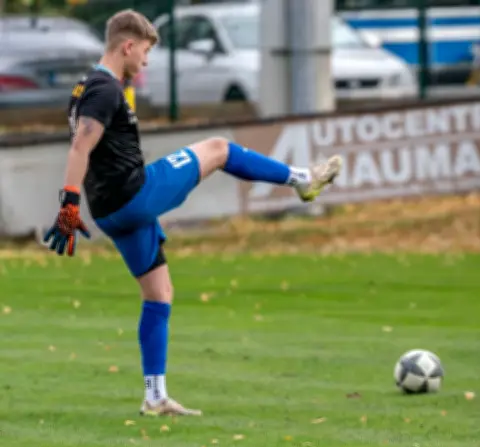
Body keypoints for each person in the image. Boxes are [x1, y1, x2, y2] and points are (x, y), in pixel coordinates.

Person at [43, 9, 342, 417]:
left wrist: (79, 201)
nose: (146, 60)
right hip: (135, 195)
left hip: (112, 212)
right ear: (127, 46)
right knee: (219, 148)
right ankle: (303, 179)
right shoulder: (105, 89)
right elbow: (81, 146)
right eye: (145, 51)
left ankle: (155, 396)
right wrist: (68, 203)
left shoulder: (86, 87)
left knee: (159, 294)